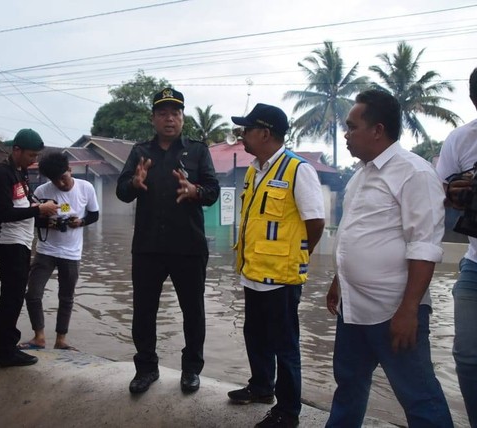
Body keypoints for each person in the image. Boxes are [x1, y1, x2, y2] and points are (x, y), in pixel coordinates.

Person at [325, 89, 453, 427]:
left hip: (392, 310)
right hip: (353, 309)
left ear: (377, 130)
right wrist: (339, 281)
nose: (346, 134)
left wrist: (409, 308)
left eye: (351, 127)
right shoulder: (360, 177)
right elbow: (353, 233)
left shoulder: (415, 173)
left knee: (418, 395)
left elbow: (424, 246)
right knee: (349, 385)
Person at [227, 104, 325, 428]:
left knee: (285, 344)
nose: (242, 135)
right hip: (253, 272)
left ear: (265, 133)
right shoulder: (255, 169)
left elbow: (316, 222)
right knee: (254, 334)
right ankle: (261, 387)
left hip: (281, 277)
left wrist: (297, 256)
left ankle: (288, 411)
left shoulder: (298, 170)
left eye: (247, 129)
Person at [116, 87, 219, 394]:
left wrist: (195, 191)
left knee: (193, 311)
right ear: (153, 119)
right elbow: (122, 192)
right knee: (143, 311)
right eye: (163, 113)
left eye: (175, 113)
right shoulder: (140, 152)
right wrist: (134, 182)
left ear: (183, 117)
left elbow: (212, 191)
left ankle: (191, 370)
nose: (170, 119)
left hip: (189, 246)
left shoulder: (198, 150)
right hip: (148, 246)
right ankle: (146, 369)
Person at [0, 129, 58, 368]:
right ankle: (6, 351)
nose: (34, 161)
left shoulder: (20, 171)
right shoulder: (2, 173)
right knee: (12, 297)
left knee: (12, 296)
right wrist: (39, 210)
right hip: (9, 242)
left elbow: (22, 204)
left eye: (36, 156)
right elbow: (5, 213)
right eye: (31, 155)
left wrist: (42, 212)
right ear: (16, 150)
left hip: (23, 241)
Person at [19, 151, 99, 351]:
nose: (61, 184)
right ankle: (39, 337)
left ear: (70, 170)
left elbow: (94, 214)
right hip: (46, 250)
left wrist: (81, 222)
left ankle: (61, 340)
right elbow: (32, 218)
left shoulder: (86, 188)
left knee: (66, 297)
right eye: (56, 181)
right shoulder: (42, 191)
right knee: (33, 293)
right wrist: (49, 222)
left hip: (71, 253)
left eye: (63, 178)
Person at [436, 67, 477, 427]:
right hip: (475, 263)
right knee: (466, 356)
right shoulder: (462, 139)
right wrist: (456, 192)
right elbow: (440, 194)